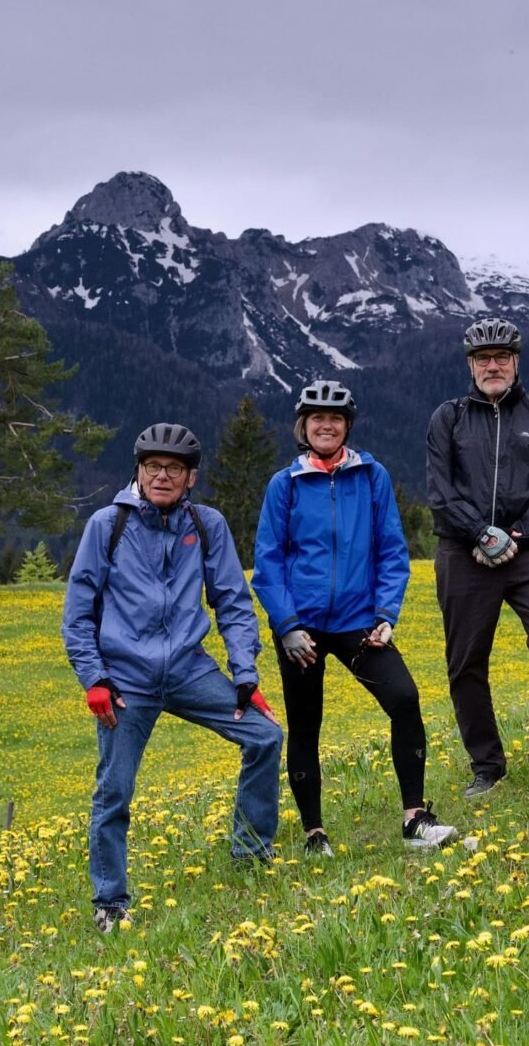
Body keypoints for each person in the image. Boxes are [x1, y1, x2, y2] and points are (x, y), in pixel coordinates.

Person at [63, 422, 283, 933]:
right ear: (138, 471)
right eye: (153, 467)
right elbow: (77, 613)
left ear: (190, 478)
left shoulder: (207, 525)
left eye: (174, 469)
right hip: (125, 681)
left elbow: (232, 601)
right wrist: (94, 677)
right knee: (113, 791)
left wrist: (245, 675)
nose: (163, 476)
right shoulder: (107, 524)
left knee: (265, 735)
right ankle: (110, 902)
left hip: (189, 671)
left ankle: (250, 858)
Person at [253, 380, 457, 857]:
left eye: (336, 418)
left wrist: (386, 613)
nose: (327, 425)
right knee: (306, 725)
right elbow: (268, 563)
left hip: (358, 621)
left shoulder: (371, 477)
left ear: (347, 425)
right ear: (303, 426)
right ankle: (314, 834)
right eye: (317, 418)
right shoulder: (284, 484)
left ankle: (415, 819)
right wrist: (285, 626)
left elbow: (391, 551)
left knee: (404, 699)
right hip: (301, 629)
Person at [426, 317, 529, 793]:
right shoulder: (447, 417)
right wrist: (479, 533)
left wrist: (515, 535)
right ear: (471, 365)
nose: (492, 365)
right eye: (482, 359)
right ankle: (486, 766)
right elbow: (439, 488)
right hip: (462, 549)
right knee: (466, 660)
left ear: (516, 362)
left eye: (501, 357)